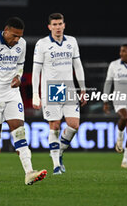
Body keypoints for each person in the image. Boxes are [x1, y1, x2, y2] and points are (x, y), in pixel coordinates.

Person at [0, 17, 47, 185]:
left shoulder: (21, 44)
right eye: (14, 36)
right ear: (6, 30)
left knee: (19, 131)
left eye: (19, 36)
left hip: (12, 93)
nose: (17, 40)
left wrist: (19, 76)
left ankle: (29, 172)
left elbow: (20, 65)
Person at [32, 13, 87, 175]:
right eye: (54, 24)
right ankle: (56, 165)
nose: (57, 27)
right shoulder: (42, 44)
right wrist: (35, 94)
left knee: (74, 125)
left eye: (60, 24)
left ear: (64, 25)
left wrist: (82, 89)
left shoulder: (72, 42)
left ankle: (59, 152)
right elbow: (36, 71)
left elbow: (78, 66)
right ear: (49, 27)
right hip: (51, 89)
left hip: (69, 88)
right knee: (54, 126)